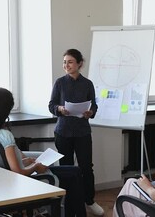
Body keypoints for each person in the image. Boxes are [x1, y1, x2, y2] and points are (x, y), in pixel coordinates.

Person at [0, 88, 87, 217]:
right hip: (26, 181)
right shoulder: (5, 135)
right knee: (75, 173)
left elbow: (4, 162)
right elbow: (17, 171)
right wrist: (35, 166)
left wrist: (25, 161)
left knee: (72, 174)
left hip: (4, 181)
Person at [48, 48, 104, 216]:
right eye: (64, 62)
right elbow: (51, 105)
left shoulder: (87, 84)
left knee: (86, 167)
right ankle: (69, 202)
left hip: (82, 132)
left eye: (70, 62)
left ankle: (89, 200)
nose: (66, 65)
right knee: (66, 168)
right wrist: (60, 109)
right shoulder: (59, 83)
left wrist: (90, 112)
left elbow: (94, 105)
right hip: (63, 131)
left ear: (80, 64)